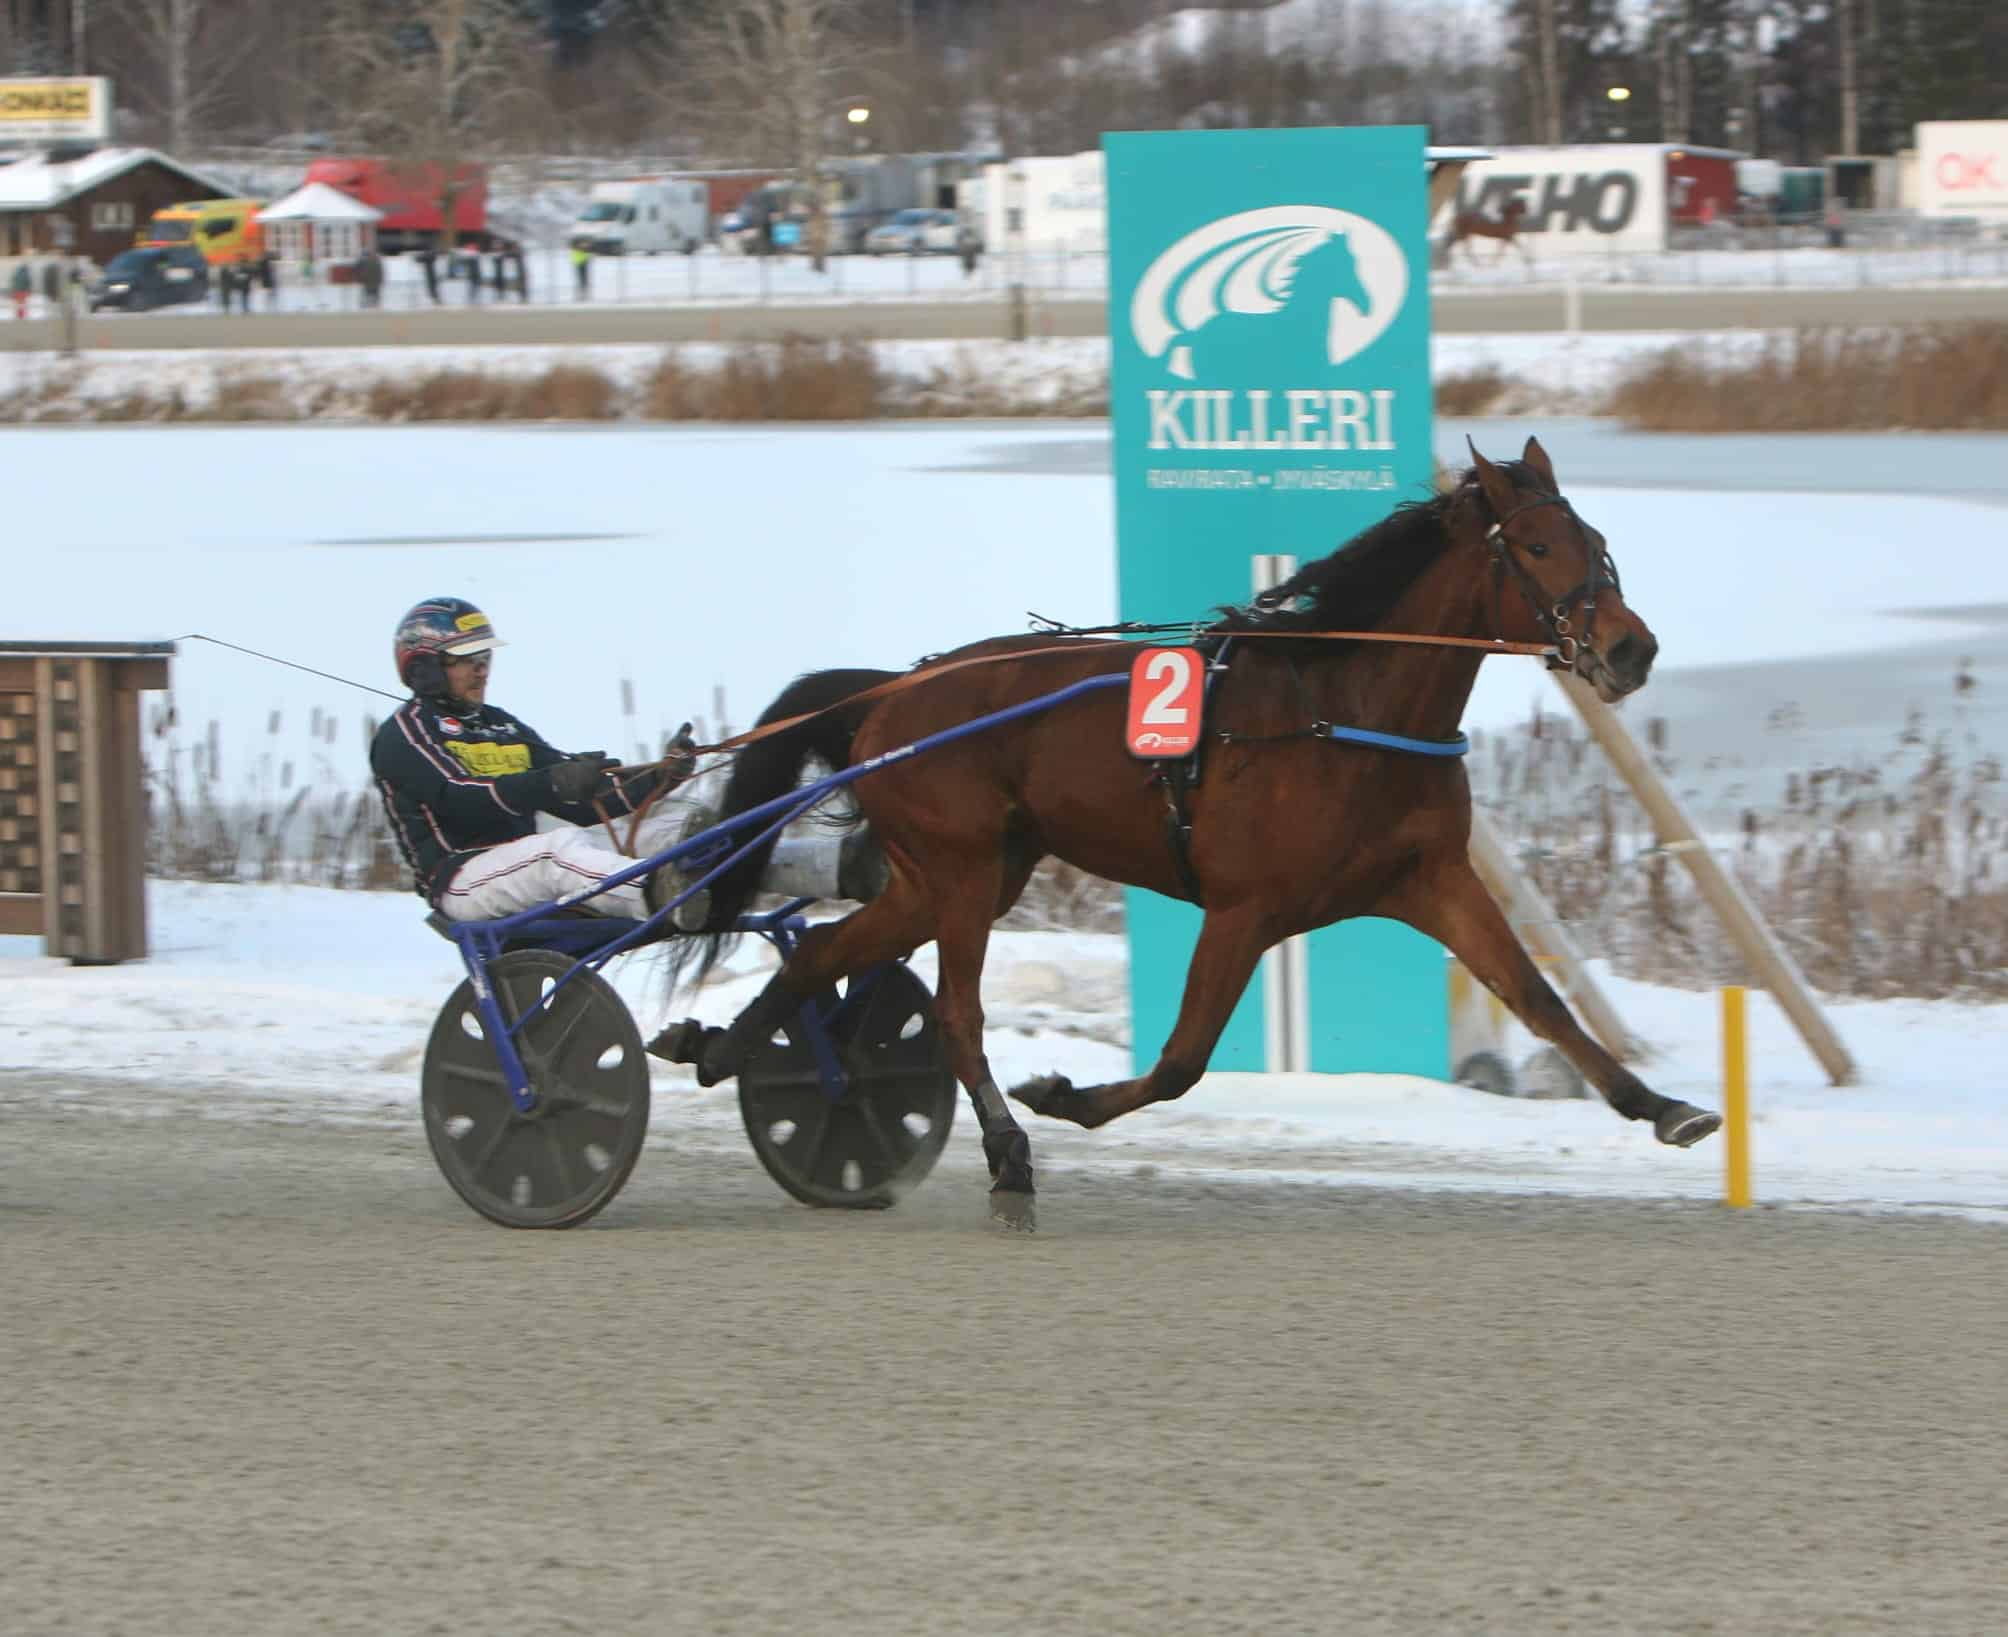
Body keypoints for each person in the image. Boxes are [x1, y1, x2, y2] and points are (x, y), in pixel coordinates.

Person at [370, 598, 885, 928]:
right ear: (427, 668)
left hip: (520, 859)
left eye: (486, 659)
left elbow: (584, 804)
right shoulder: (403, 735)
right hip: (462, 879)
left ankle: (835, 867)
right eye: (467, 660)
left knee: (680, 825)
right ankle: (660, 891)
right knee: (556, 852)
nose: (482, 671)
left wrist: (657, 779)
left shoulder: (501, 724)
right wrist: (552, 783)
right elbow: (462, 799)